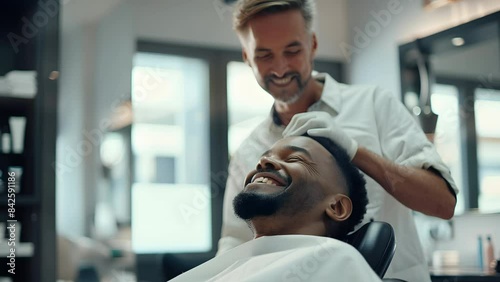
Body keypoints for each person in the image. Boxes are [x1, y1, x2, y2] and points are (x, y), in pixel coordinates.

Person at [219, 1, 459, 281]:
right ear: (247, 57)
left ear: (313, 44)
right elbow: (235, 241)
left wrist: (357, 152)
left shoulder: (374, 105)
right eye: (264, 55)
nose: (280, 67)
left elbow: (443, 204)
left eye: (293, 50)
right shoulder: (249, 150)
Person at [170, 135, 381, 282]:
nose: (263, 162)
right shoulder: (236, 265)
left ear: (336, 206)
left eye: (295, 158)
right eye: (266, 157)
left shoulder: (337, 261)